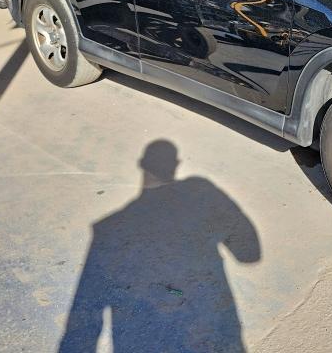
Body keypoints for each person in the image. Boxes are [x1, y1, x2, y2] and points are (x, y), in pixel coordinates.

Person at [59, 140, 260, 352]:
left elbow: (84, 316)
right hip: (208, 330)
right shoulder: (199, 193)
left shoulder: (106, 230)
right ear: (176, 164)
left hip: (142, 339)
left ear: (142, 165)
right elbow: (249, 255)